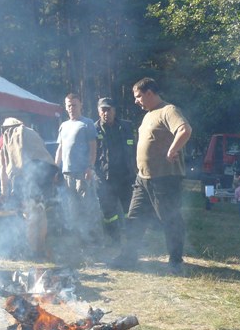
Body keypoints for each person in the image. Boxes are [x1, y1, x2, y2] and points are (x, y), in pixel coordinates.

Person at [113, 78, 192, 274]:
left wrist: (173, 149)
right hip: (144, 178)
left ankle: (175, 261)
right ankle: (128, 257)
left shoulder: (168, 110)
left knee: (169, 218)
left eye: (138, 96)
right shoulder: (149, 115)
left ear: (150, 93)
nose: (136, 101)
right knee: (134, 218)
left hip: (165, 177)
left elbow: (185, 130)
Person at [55, 93, 100, 243]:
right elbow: (60, 149)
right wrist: (55, 169)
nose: (71, 108)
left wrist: (90, 167)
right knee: (71, 207)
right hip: (66, 173)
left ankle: (93, 237)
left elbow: (93, 148)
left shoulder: (87, 123)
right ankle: (79, 238)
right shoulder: (63, 125)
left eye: (74, 105)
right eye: (69, 105)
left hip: (82, 172)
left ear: (81, 105)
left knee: (87, 205)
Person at [94, 98, 137, 244]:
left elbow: (135, 149)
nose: (106, 113)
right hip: (104, 178)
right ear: (99, 112)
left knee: (129, 210)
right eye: (103, 110)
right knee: (108, 213)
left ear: (114, 110)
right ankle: (114, 239)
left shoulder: (127, 127)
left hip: (126, 176)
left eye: (109, 109)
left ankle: (132, 238)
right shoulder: (94, 129)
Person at [0, 117, 58, 205]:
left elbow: (3, 166)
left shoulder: (4, 137)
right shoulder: (31, 132)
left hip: (28, 172)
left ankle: (32, 217)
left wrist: (4, 191)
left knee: (27, 205)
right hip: (47, 170)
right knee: (44, 204)